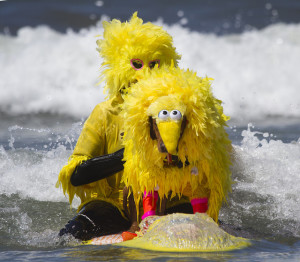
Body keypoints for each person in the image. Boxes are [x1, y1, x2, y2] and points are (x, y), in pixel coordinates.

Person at [56, 12, 192, 241]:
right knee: (68, 236)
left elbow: (206, 164)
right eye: (137, 64)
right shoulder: (105, 112)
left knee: (206, 225)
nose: (145, 73)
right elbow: (76, 175)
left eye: (154, 65)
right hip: (113, 204)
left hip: (169, 200)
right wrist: (127, 157)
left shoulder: (180, 111)